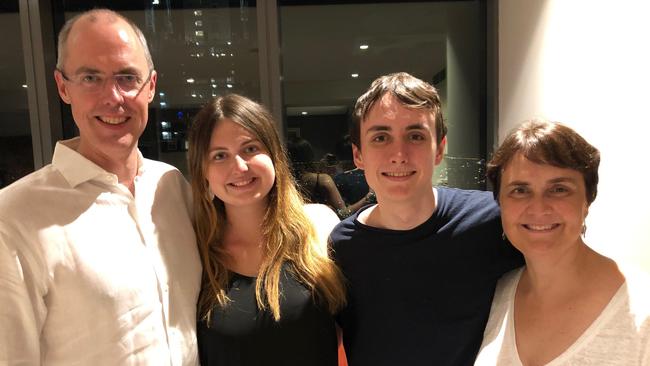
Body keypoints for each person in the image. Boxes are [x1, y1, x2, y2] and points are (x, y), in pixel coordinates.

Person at [0, 9, 201, 365]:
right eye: (90, 77)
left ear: (150, 86)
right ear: (63, 87)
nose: (113, 96)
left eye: (127, 77)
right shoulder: (13, 216)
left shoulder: (173, 187)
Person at [329, 72, 523, 366]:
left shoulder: (493, 221)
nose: (399, 154)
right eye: (381, 137)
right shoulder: (342, 246)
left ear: (440, 149)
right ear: (358, 155)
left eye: (415, 136)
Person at [187, 94, 347, 366]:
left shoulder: (319, 226)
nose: (239, 167)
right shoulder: (195, 250)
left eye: (250, 148)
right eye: (220, 155)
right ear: (203, 170)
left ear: (274, 154)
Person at [475, 119, 650, 365]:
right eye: (520, 190)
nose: (538, 207)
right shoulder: (499, 292)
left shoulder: (643, 310)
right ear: (500, 203)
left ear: (587, 200)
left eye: (558, 189)